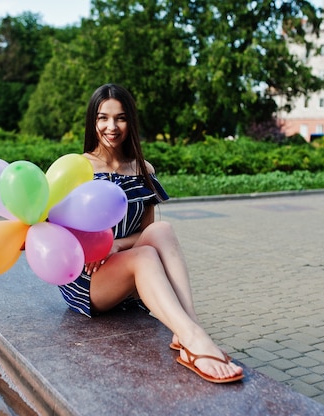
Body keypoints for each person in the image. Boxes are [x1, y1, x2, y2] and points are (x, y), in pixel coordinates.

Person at [58, 84, 243, 384]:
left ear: (131, 121)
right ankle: (194, 339)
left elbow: (145, 232)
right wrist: (94, 247)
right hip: (90, 278)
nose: (111, 127)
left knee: (162, 230)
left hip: (122, 261)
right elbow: (60, 229)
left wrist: (116, 244)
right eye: (103, 118)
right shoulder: (78, 168)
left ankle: (188, 331)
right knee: (144, 256)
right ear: (93, 121)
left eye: (120, 118)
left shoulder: (143, 169)